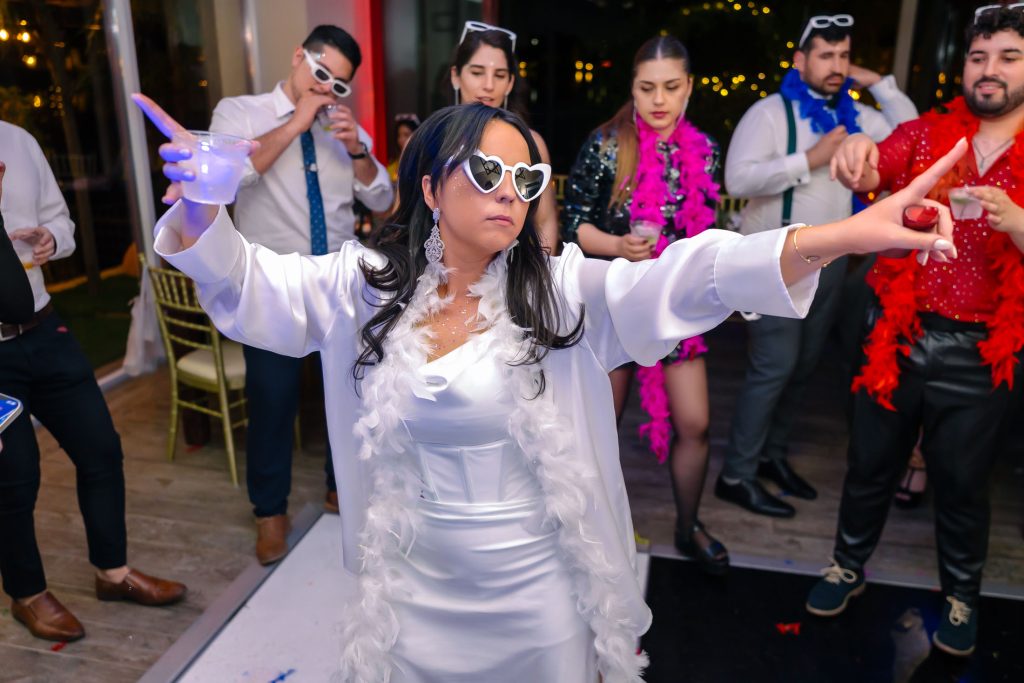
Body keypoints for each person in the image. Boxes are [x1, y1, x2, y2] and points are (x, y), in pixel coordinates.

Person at [136, 90, 962, 681]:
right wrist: (205, 207)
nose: (510, 191)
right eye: (486, 171)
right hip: (410, 589)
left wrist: (841, 234)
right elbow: (248, 288)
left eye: (526, 179)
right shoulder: (361, 287)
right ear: (428, 186)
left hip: (536, 591)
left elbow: (692, 275)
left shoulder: (561, 292)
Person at [806, 5, 1024, 659]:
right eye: (978, 57)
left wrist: (1017, 221)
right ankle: (847, 566)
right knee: (870, 466)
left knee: (963, 485)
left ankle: (962, 597)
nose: (989, 70)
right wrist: (857, 154)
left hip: (983, 353)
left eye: (1008, 57)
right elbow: (875, 169)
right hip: (897, 335)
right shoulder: (927, 133)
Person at [204, 25, 394, 565]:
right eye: (321, 72)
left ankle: (342, 489)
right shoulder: (239, 113)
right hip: (272, 286)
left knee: (350, 394)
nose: (327, 87)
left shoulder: (344, 128)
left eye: (339, 83)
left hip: (337, 283)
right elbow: (228, 180)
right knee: (272, 400)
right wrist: (296, 123)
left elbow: (381, 198)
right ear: (297, 57)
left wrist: (357, 149)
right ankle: (270, 514)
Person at [718, 13, 919, 517]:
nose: (836, 66)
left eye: (843, 56)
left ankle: (772, 457)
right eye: (825, 55)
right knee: (775, 366)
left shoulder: (857, 116)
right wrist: (808, 159)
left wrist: (878, 82)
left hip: (829, 264)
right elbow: (737, 180)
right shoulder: (769, 113)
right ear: (800, 60)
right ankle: (736, 474)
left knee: (805, 365)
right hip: (773, 262)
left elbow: (911, 130)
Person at [0, 121, 186, 644]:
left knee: (101, 449)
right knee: (14, 477)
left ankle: (112, 572)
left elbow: (61, 221)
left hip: (44, 328)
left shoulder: (18, 141)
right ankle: (27, 594)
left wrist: (51, 238)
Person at [563, 36, 726, 573]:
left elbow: (706, 231)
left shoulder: (705, 150)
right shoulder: (607, 145)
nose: (659, 100)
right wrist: (617, 245)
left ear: (689, 87)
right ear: (631, 88)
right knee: (598, 427)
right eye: (647, 87)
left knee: (695, 423)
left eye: (671, 87)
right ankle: (587, 533)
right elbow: (572, 225)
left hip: (674, 308)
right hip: (613, 303)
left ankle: (688, 525)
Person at [449, 20, 560, 252]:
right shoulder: (431, 139)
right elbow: (405, 221)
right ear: (456, 76)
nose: (488, 85)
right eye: (477, 72)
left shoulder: (529, 143)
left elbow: (545, 222)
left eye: (499, 75)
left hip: (508, 267)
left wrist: (537, 270)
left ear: (510, 83)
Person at [387, 113, 420, 184]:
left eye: (406, 135)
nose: (401, 140)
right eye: (399, 135)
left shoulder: (422, 162)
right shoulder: (392, 167)